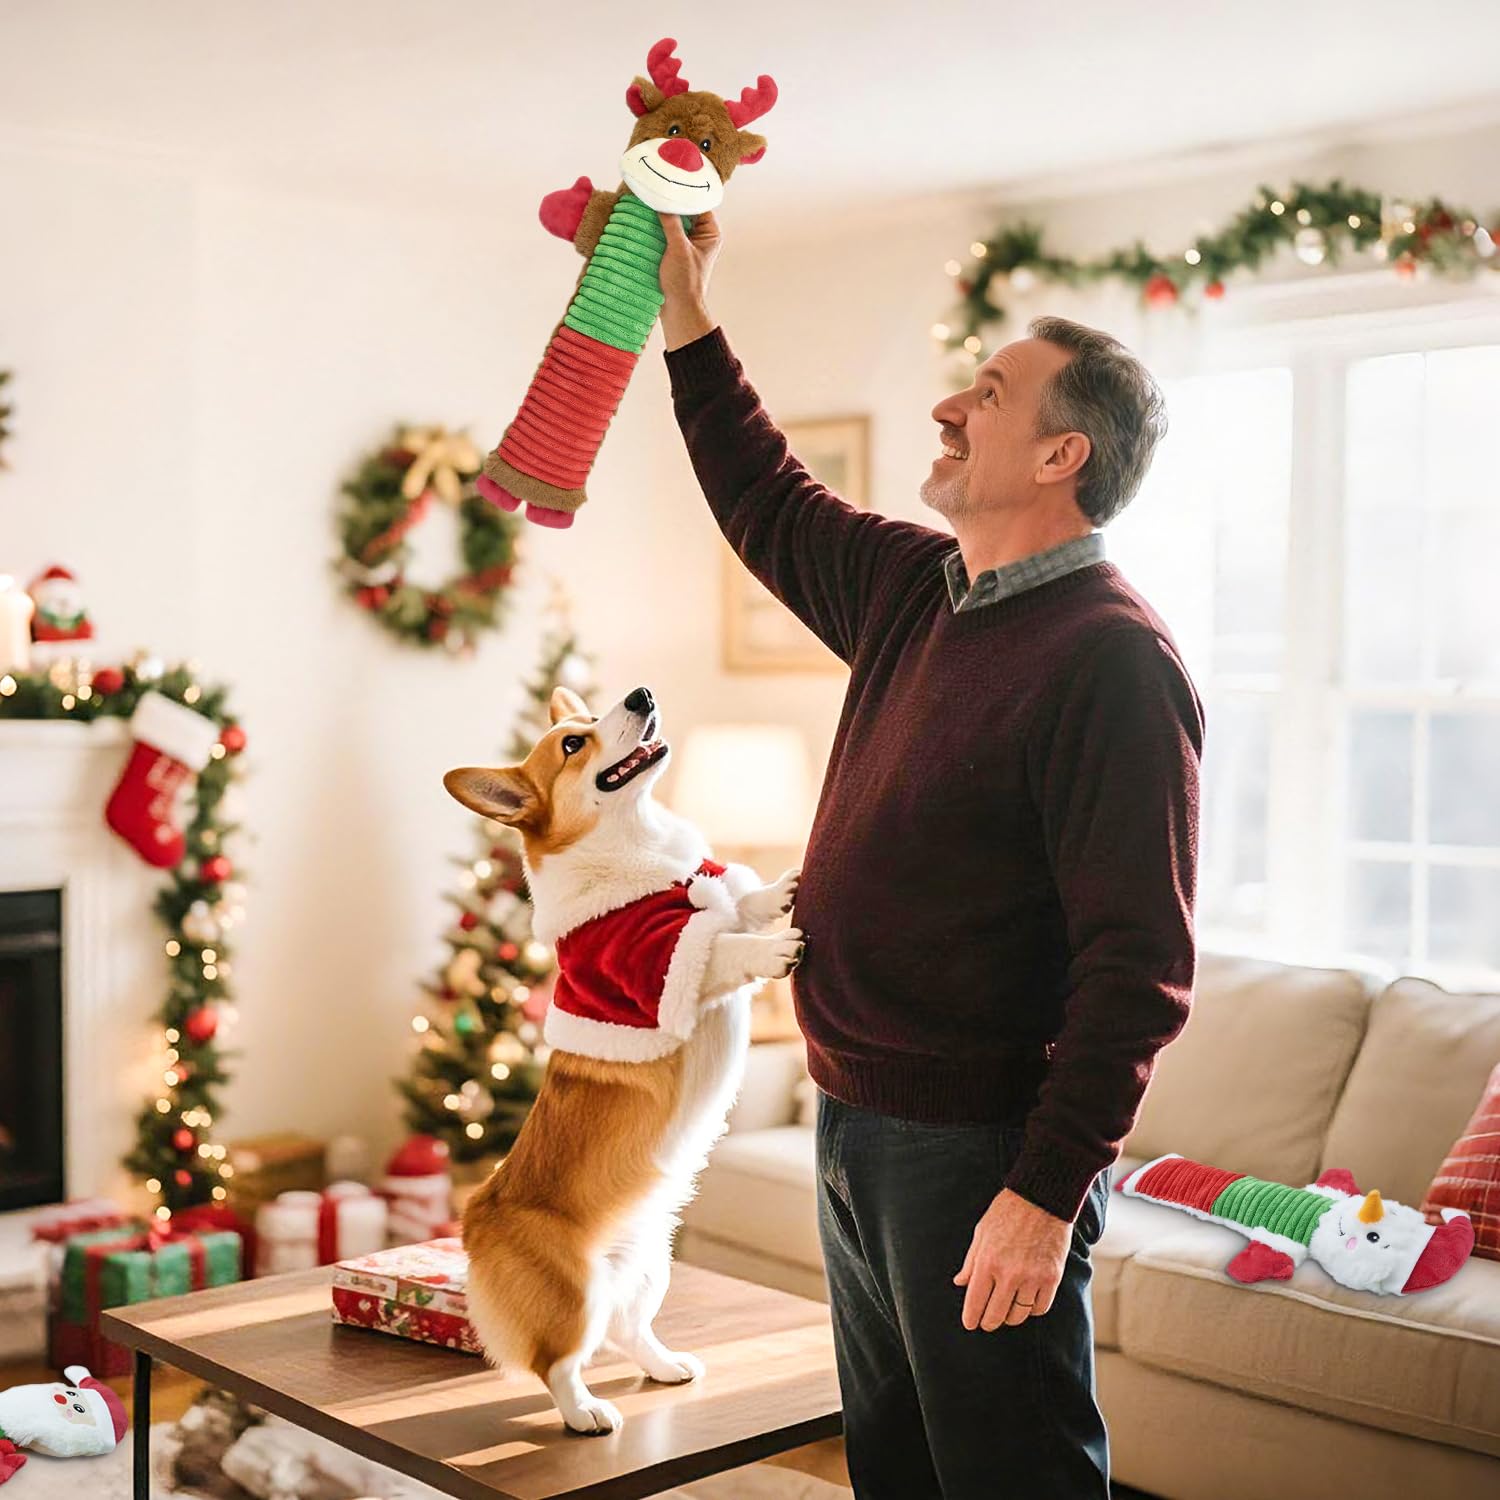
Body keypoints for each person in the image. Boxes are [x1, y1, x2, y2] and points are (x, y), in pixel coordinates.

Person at [656, 209, 1203, 1500]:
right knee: (896, 1473)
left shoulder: (1113, 657)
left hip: (977, 1151)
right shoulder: (919, 589)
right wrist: (687, 310)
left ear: (1062, 452)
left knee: (1014, 1478)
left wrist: (1044, 1192)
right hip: (857, 1120)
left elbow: (1142, 968)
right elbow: (764, 496)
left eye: (991, 392)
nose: (951, 406)